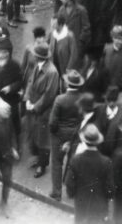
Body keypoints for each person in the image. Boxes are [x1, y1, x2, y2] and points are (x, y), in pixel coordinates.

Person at [24, 42, 60, 178]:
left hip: (43, 111)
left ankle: (42, 165)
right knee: (33, 134)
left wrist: (35, 106)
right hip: (32, 106)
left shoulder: (52, 72)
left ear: (39, 56)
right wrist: (27, 99)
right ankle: (37, 159)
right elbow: (29, 82)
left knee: (43, 139)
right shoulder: (37, 66)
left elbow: (49, 95)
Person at [65, 123, 114, 224]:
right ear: (97, 142)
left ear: (84, 140)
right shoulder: (106, 161)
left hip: (81, 205)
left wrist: (73, 194)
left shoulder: (75, 160)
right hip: (99, 207)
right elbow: (110, 188)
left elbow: (69, 183)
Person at [49, 69, 84, 200]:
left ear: (67, 84)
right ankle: (71, 191)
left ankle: (57, 193)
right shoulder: (82, 99)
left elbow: (53, 122)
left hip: (59, 135)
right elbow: (82, 119)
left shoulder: (60, 99)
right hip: (75, 135)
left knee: (57, 163)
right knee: (72, 163)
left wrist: (55, 133)